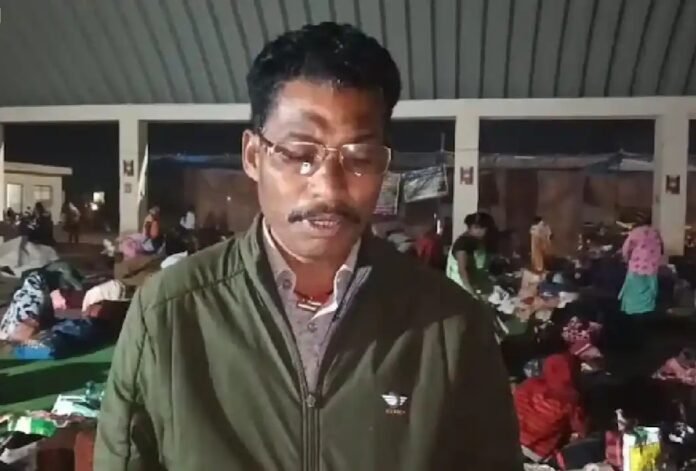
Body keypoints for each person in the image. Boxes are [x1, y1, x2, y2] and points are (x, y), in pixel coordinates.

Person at [95, 23, 521, 470]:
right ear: (253, 156)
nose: (329, 188)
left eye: (359, 158)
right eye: (300, 155)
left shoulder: (451, 326)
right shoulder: (169, 313)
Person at [619, 214, 663, 315]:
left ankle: (633, 312)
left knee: (634, 292)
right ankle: (647, 311)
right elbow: (661, 249)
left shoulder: (636, 232)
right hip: (652, 268)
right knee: (649, 291)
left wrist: (626, 259)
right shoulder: (655, 233)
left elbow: (626, 249)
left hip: (636, 267)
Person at [446, 211, 499, 296]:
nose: (485, 232)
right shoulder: (463, 244)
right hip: (460, 289)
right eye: (484, 228)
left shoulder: (476, 242)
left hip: (473, 288)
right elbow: (462, 270)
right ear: (474, 228)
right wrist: (471, 293)